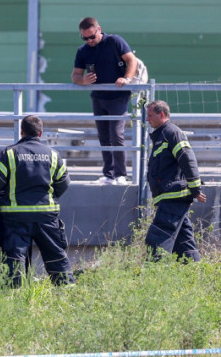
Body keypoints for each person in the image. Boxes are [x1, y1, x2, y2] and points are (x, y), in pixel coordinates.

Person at [0, 115, 74, 286]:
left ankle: (15, 296)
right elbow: (64, 182)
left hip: (17, 217)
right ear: (40, 133)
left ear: (22, 132)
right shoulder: (53, 154)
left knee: (15, 259)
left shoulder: (10, 153)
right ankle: (67, 290)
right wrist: (51, 198)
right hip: (46, 216)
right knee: (55, 255)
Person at [71, 17, 139, 185]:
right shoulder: (83, 51)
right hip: (98, 97)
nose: (89, 41)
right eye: (85, 38)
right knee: (103, 136)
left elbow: (132, 61)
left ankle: (120, 174)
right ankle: (108, 174)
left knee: (116, 134)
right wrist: (83, 81)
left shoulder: (114, 41)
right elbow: (75, 75)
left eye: (92, 37)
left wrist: (126, 79)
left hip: (118, 96)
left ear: (99, 29)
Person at [143, 100, 206, 262]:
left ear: (162, 114)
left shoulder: (171, 133)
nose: (147, 119)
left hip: (174, 196)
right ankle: (193, 271)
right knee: (183, 244)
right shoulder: (161, 135)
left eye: (150, 115)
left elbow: (187, 158)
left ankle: (154, 274)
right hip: (170, 196)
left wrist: (195, 188)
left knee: (156, 238)